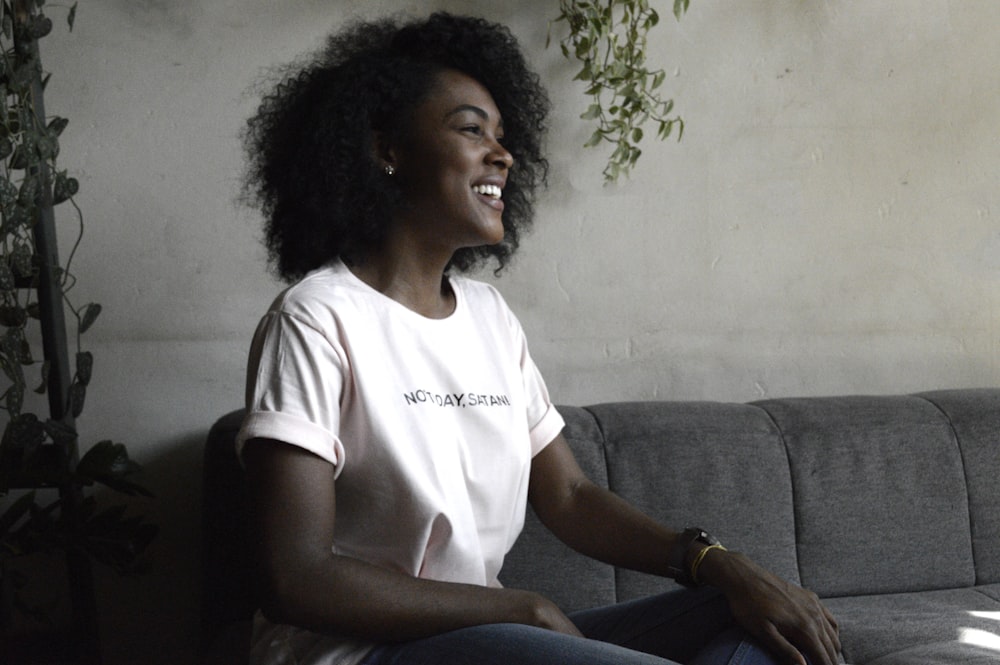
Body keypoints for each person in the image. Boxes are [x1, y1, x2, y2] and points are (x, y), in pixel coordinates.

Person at [237, 12, 841, 665]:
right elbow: (297, 578)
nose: (504, 153)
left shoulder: (489, 316)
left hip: (482, 638)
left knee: (765, 622)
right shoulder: (315, 319)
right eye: (471, 129)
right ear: (387, 150)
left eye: (503, 134)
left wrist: (714, 561)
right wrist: (520, 606)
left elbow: (571, 497)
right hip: (358, 651)